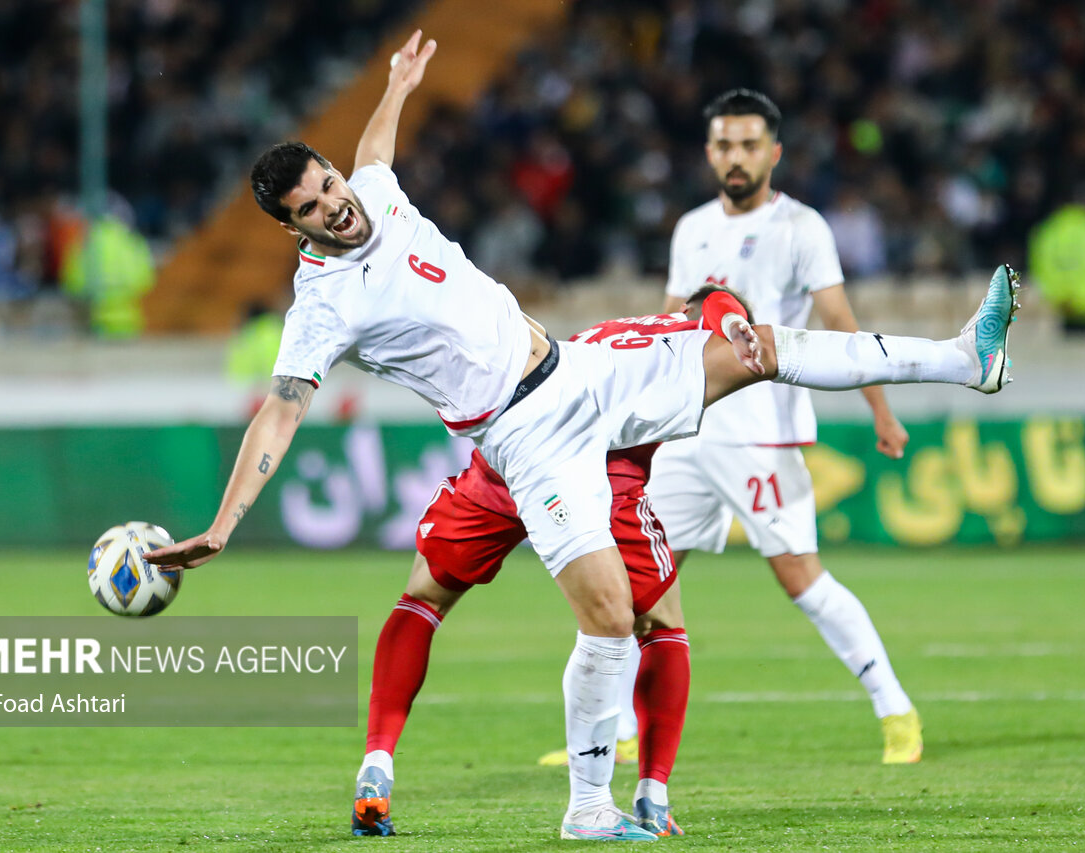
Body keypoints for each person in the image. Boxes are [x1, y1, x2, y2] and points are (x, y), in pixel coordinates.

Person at [145, 31, 1019, 841]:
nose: (336, 207)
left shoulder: (372, 186)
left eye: (329, 185)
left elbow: (374, 153)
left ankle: (962, 357)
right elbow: (282, 409)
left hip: (579, 370)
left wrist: (398, 87)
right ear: (289, 227)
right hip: (526, 438)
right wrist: (225, 524)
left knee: (757, 352)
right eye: (311, 208)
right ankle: (589, 809)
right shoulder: (320, 308)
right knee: (609, 617)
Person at [353, 288, 752, 839]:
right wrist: (734, 322)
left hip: (507, 461)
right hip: (600, 479)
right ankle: (651, 796)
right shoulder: (699, 340)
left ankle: (376, 764)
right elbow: (720, 305)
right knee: (661, 625)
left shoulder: (612, 327)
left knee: (422, 599)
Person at [653, 88, 922, 764]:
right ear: (709, 152)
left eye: (748, 145)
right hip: (689, 429)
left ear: (773, 152)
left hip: (763, 431)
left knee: (800, 577)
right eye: (723, 145)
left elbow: (840, 325)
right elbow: (668, 326)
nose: (734, 158)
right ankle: (624, 733)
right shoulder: (691, 228)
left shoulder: (802, 228)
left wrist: (881, 410)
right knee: (639, 579)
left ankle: (896, 710)